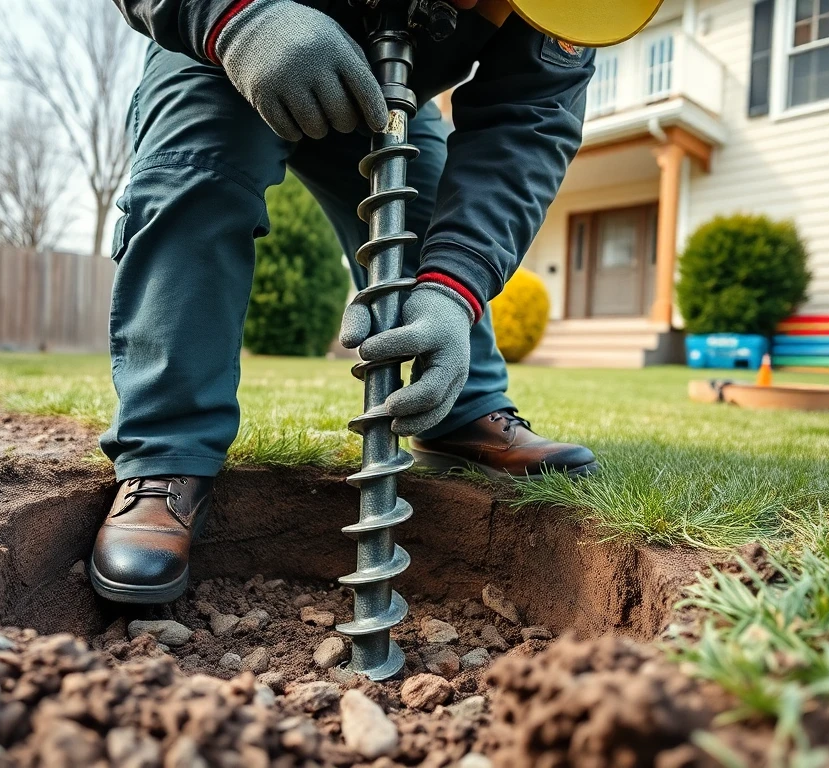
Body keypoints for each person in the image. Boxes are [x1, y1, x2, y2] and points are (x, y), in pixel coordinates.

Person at [95, 0, 601, 604]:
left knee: (427, 222)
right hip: (238, 44)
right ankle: (165, 455)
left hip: (392, 89)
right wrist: (238, 17)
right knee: (197, 178)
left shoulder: (584, 7)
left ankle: (460, 412)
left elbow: (530, 124)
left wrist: (453, 287)